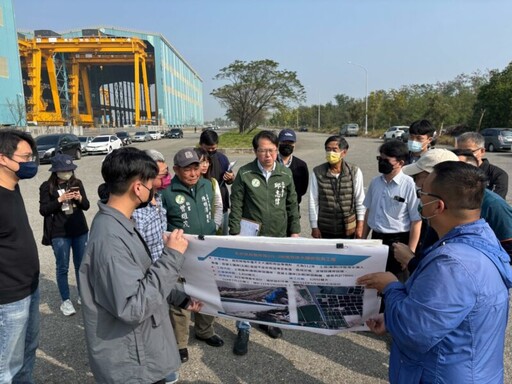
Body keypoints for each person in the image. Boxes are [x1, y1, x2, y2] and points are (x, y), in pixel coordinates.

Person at [358, 161, 512, 384]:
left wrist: (390, 287)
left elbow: (413, 332)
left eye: (422, 192)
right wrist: (391, 319)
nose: (418, 197)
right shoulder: (481, 239)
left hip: (444, 375)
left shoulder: (452, 265)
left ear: (438, 206)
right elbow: (439, 313)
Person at [79, 147, 200, 384]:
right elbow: (133, 307)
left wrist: (178, 298)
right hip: (134, 363)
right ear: (137, 187)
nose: (154, 188)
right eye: (151, 183)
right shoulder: (110, 240)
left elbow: (140, 278)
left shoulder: (120, 222)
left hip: (141, 349)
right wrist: (172, 256)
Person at [229, 130, 301, 356]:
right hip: (251, 239)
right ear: (255, 151)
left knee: (274, 282)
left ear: (277, 150)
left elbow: (292, 206)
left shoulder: (284, 174)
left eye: (271, 150)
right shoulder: (245, 173)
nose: (268, 155)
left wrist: (295, 233)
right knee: (247, 285)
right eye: (263, 150)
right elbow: (236, 205)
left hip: (277, 238)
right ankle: (243, 327)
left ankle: (269, 320)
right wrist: (234, 236)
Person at [160, 148, 224, 364]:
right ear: (176, 170)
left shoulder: (208, 185)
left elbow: (216, 209)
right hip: (181, 255)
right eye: (187, 169)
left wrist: (215, 228)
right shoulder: (166, 193)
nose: (194, 173)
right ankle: (179, 343)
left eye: (196, 167)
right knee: (181, 298)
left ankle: (205, 331)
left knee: (207, 292)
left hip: (207, 252)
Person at [131, 149, 179, 383]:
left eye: (166, 172)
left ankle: (163, 366)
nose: (165, 179)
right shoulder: (135, 212)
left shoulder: (158, 199)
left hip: (162, 272)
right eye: (161, 174)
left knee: (164, 323)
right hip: (146, 278)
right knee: (149, 327)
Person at [0, 129, 40, 384]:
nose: (31, 163)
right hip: (9, 297)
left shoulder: (12, 187)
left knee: (27, 353)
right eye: (25, 157)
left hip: (30, 288)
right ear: (3, 158)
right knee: (6, 367)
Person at [362, 140, 421, 281]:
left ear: (400, 163)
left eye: (386, 160)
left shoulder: (409, 185)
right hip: (376, 240)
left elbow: (416, 221)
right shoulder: (375, 182)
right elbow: (369, 212)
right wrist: (362, 240)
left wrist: (409, 253)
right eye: (380, 159)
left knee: (397, 282)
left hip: (398, 242)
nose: (382, 163)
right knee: (375, 282)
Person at [39, 154, 90, 316]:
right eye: (64, 170)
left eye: (70, 169)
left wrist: (80, 198)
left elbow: (86, 206)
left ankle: (83, 295)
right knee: (62, 267)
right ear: (55, 171)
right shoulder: (47, 187)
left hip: (79, 230)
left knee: (81, 265)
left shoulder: (76, 183)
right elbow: (44, 210)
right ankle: (66, 301)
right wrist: (60, 199)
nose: (67, 172)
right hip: (59, 233)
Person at [309, 135, 365, 239]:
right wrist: (314, 227)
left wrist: (360, 226)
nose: (331, 153)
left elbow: (360, 200)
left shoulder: (354, 171)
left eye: (335, 150)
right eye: (328, 150)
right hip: (325, 228)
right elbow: (313, 201)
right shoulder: (317, 172)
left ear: (344, 152)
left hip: (348, 228)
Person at [199, 129, 235, 235]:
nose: (211, 151)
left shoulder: (222, 158)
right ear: (201, 145)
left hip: (221, 205)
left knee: (222, 237)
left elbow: (229, 180)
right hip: (203, 206)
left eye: (213, 148)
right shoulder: (195, 159)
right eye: (208, 149)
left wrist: (231, 177)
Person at [455, 131, 509, 198]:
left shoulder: (497, 175)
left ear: (482, 151)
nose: (463, 156)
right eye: (459, 152)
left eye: (469, 152)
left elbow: (494, 203)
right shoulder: (453, 171)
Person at [277, 129, 309, 206]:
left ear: (294, 144)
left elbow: (303, 189)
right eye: (284, 142)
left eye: (290, 142)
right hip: (273, 209)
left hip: (293, 208)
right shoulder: (270, 163)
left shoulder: (301, 165)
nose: (287, 145)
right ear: (278, 143)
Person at [195, 147, 223, 232]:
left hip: (210, 230)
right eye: (201, 162)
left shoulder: (212, 182)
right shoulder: (189, 183)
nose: (205, 165)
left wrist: (215, 225)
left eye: (207, 162)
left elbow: (218, 205)